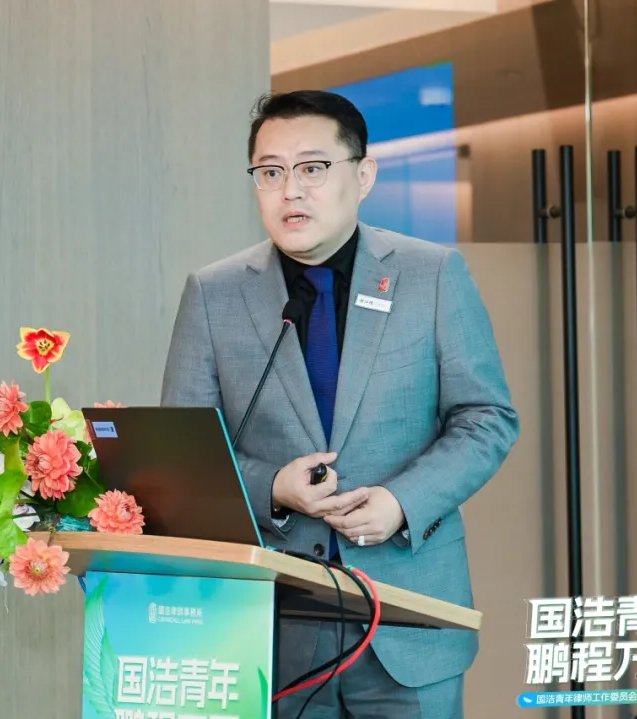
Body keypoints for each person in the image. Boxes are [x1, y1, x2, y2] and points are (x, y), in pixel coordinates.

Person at [160, 90, 520, 718]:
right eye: (270, 172)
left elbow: (486, 418)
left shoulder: (432, 274)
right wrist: (273, 488)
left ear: (364, 174)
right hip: (269, 627)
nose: (289, 191)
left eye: (312, 168)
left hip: (410, 620)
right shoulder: (214, 293)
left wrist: (401, 502)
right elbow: (183, 454)